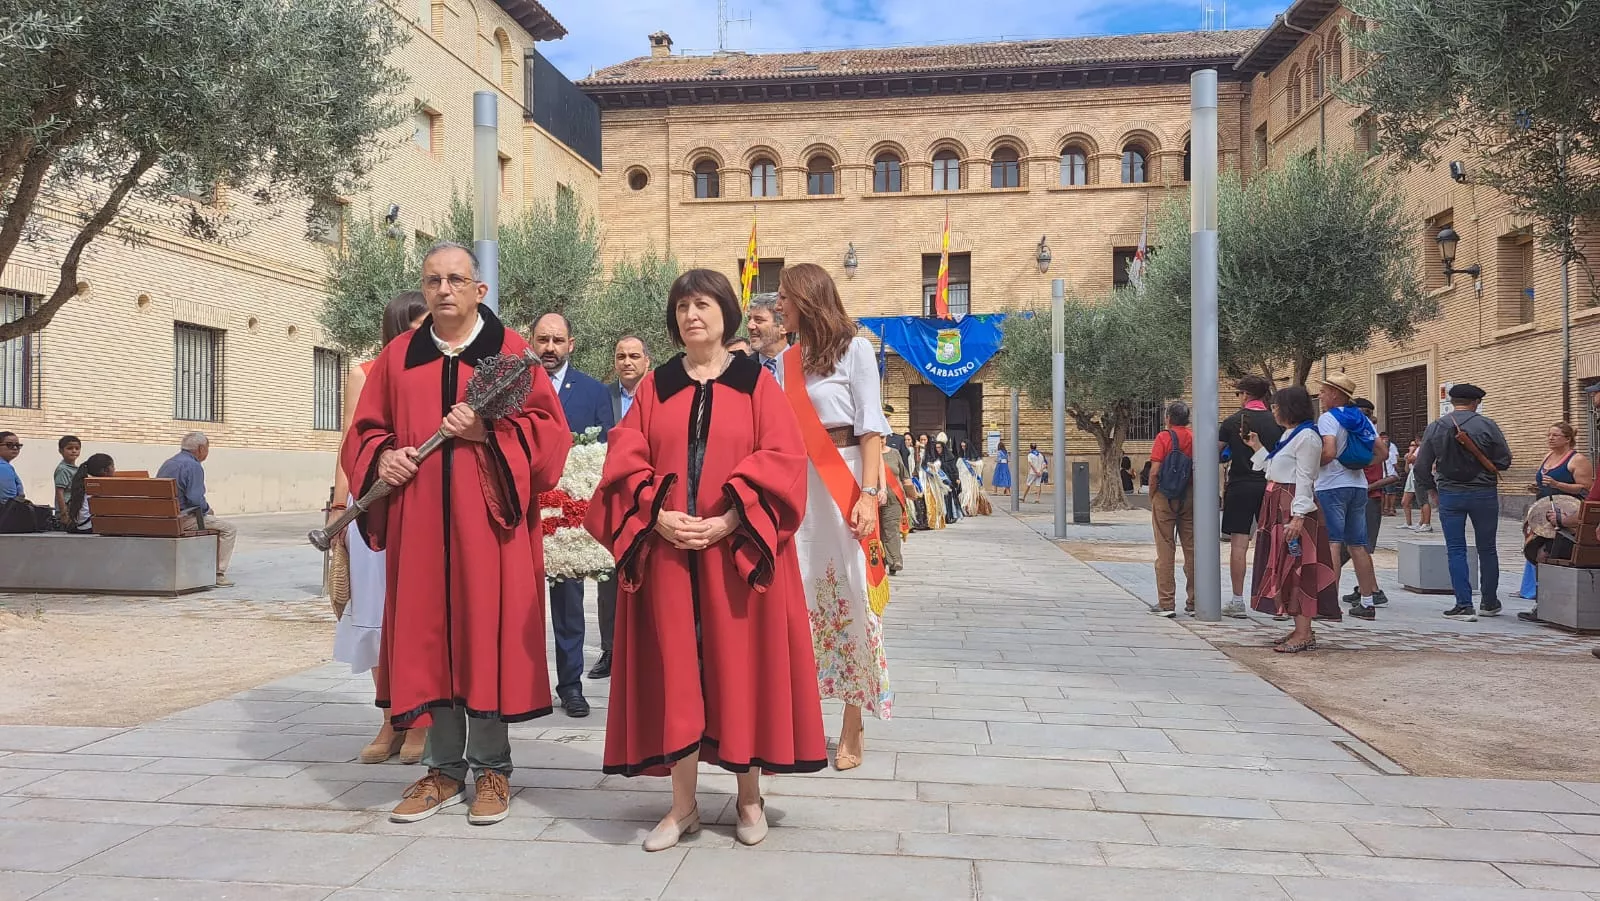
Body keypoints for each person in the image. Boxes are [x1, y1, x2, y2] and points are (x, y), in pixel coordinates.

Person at [585, 268, 825, 851]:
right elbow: (626, 458)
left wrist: (730, 520)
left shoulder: (755, 384)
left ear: (726, 314)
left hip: (735, 554)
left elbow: (783, 459)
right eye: (683, 306)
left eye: (704, 304)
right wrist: (657, 515)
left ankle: (748, 799)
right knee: (677, 669)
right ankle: (683, 806)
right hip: (669, 552)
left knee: (738, 666)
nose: (693, 315)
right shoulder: (655, 386)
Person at [345, 242, 571, 827]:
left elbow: (549, 437)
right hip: (420, 528)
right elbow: (364, 432)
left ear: (480, 290)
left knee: (484, 637)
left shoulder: (512, 354)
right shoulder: (399, 357)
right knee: (429, 639)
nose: (443, 289)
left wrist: (485, 433)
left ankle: (493, 767)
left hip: (488, 531)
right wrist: (383, 459)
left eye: (455, 279)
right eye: (432, 281)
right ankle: (443, 769)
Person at [774, 262, 893, 771]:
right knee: (798, 594)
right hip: (799, 483)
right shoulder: (787, 360)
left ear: (808, 298)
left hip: (842, 477)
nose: (778, 306)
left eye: (784, 297)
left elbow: (871, 428)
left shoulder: (856, 349)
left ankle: (851, 720)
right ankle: (802, 721)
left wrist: (869, 495)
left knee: (849, 591)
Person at [327, 291, 429, 765]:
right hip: (372, 504)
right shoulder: (365, 372)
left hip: (426, 506)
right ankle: (389, 718)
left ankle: (420, 722)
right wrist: (336, 508)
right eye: (417, 324)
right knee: (374, 611)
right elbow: (352, 439)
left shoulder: (437, 373)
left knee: (418, 611)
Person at [533, 311, 616, 717]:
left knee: (568, 606)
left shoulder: (594, 393)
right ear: (532, 342)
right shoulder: (517, 385)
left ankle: (571, 687)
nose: (550, 348)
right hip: (523, 514)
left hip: (566, 522)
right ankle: (524, 688)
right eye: (543, 340)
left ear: (571, 344)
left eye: (557, 340)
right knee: (518, 608)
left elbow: (603, 456)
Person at [1245, 385, 1336, 653]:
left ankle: (1304, 631)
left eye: (1275, 406)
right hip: (1278, 505)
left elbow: (1305, 477)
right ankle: (1298, 627)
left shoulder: (1307, 437)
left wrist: (1298, 516)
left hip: (1294, 507)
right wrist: (1259, 448)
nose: (1272, 410)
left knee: (1298, 565)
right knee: (1284, 564)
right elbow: (1275, 470)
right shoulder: (1290, 435)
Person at [1412, 383, 1512, 622]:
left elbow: (1421, 466)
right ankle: (1489, 601)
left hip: (1450, 493)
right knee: (1487, 548)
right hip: (1484, 493)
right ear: (1475, 403)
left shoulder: (1436, 426)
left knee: (1455, 548)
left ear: (1452, 402)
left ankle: (1463, 604)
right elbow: (1504, 460)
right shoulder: (1488, 425)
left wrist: (1431, 489)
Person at [590, 335, 653, 681]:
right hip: (616, 495)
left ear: (647, 361)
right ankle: (611, 649)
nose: (627, 362)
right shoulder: (605, 396)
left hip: (650, 495)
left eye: (633, 356)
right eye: (620, 356)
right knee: (608, 578)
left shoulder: (659, 394)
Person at [1313, 374, 1381, 621]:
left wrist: (1312, 467)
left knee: (1332, 542)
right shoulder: (1362, 419)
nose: (1320, 396)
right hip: (1358, 485)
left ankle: (1329, 604)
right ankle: (1367, 601)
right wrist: (1359, 465)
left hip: (1331, 485)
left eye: (1322, 391)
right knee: (1357, 545)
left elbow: (1329, 451)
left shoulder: (1328, 418)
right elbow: (1381, 452)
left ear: (1334, 393)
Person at [1218, 375, 1282, 618]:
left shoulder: (1232, 421)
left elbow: (1216, 452)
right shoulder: (1276, 421)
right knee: (1274, 543)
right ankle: (1277, 602)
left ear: (1245, 394)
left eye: (1238, 394)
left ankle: (1237, 600)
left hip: (1240, 484)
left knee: (1239, 544)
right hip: (1271, 484)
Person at [157, 432, 239, 588]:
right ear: (201, 449)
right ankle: (218, 573)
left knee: (212, 520)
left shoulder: (169, 463)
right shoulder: (193, 466)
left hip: (162, 518)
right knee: (228, 529)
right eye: (208, 448)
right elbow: (195, 500)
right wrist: (208, 510)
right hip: (182, 519)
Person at [1340, 399, 1401, 609]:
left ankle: (1373, 590)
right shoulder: (1352, 436)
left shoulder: (1378, 442)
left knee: (1359, 545)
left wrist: (1369, 486)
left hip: (1368, 499)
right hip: (1351, 496)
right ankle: (1365, 588)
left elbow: (1393, 475)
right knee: (1351, 545)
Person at [1148, 401, 1196, 617]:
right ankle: (1195, 600)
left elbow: (1155, 470)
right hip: (1190, 495)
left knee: (1165, 547)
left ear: (1168, 418)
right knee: (1192, 547)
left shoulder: (1163, 437)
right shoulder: (1194, 437)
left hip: (1165, 497)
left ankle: (1166, 602)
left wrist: (1152, 493)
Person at [62, 453, 115, 534]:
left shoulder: (85, 482)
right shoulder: (99, 486)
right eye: (112, 466)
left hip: (81, 527)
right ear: (105, 471)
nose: (115, 469)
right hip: (90, 526)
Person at [882, 439, 912, 574]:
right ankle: (881, 561)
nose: (881, 440)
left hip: (894, 499)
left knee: (891, 530)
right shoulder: (867, 453)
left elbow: (904, 475)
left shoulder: (894, 453)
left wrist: (911, 492)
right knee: (878, 533)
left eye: (883, 437)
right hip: (873, 499)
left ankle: (895, 560)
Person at [746, 292, 787, 375]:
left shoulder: (806, 366)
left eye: (759, 320)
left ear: (783, 326)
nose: (750, 326)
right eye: (749, 319)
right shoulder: (741, 370)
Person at [1399, 438, 1433, 533]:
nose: (1412, 446)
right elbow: (1407, 469)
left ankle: (1426, 523)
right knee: (1411, 501)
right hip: (1413, 476)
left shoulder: (1421, 449)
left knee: (1423, 500)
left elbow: (1411, 459)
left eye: (1414, 444)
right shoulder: (1421, 450)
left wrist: (1410, 453)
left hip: (1419, 476)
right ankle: (1417, 523)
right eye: (1411, 445)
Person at [53, 435, 80, 519]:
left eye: (77, 448)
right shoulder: (63, 469)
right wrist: (64, 514)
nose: (74, 451)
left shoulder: (76, 469)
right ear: (61, 451)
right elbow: (59, 492)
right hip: (66, 513)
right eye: (70, 448)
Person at [0, 432, 25, 501]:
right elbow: (6, 500)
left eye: (18, 445)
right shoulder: (3, 467)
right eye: (9, 445)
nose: (15, 448)